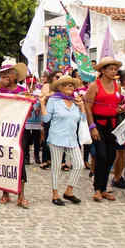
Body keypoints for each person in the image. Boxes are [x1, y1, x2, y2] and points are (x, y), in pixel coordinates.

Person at [0, 61, 29, 208]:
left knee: (20, 162)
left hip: (19, 132)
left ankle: (21, 195)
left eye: (8, 74)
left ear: (15, 76)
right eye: (2, 74)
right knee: (3, 161)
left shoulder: (23, 91)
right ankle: (5, 193)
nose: (4, 77)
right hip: (0, 131)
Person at [41, 75, 85, 206]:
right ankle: (55, 194)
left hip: (72, 139)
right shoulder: (54, 100)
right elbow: (46, 119)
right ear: (59, 88)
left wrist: (82, 106)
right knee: (56, 167)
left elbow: (82, 119)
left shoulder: (75, 101)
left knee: (79, 164)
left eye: (71, 84)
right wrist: (43, 103)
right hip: (56, 138)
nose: (69, 86)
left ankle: (69, 191)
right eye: (66, 84)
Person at [84, 56, 122, 202]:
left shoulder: (117, 85)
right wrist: (92, 126)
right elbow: (88, 106)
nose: (113, 72)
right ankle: (97, 189)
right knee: (101, 156)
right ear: (103, 70)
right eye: (111, 69)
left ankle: (104, 188)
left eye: (115, 69)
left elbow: (117, 102)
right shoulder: (95, 85)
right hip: (98, 124)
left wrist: (120, 109)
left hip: (112, 125)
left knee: (111, 156)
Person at [110, 69, 125, 188]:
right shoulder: (118, 88)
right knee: (120, 152)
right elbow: (117, 105)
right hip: (120, 122)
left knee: (123, 153)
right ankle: (117, 177)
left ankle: (119, 175)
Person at [39, 71, 63, 170]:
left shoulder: (63, 87)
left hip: (60, 115)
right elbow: (44, 96)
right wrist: (55, 92)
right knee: (48, 136)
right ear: (52, 77)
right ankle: (45, 159)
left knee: (61, 137)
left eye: (61, 77)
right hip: (49, 113)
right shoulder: (47, 85)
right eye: (57, 77)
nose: (59, 79)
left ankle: (61, 161)